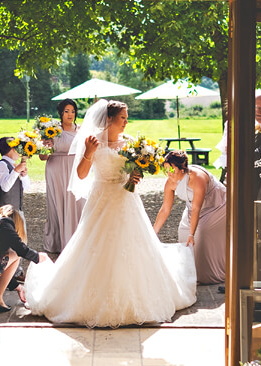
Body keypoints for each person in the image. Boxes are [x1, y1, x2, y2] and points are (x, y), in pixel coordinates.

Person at [24, 99, 197, 327]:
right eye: (122, 118)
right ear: (109, 119)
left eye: (126, 118)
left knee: (133, 247)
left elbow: (134, 170)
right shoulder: (93, 140)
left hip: (127, 200)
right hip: (101, 199)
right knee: (95, 245)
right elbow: (82, 174)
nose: (126, 122)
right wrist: (88, 152)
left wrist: (135, 176)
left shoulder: (131, 143)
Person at [152, 150, 226, 285]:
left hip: (217, 206)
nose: (169, 174)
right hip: (193, 208)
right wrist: (153, 232)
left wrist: (192, 234)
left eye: (172, 170)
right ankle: (189, 272)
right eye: (166, 170)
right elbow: (165, 209)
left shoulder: (197, 178)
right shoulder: (170, 182)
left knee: (202, 232)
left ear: (182, 168)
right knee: (182, 230)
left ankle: (207, 274)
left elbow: (197, 207)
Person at [0, 204, 49, 314]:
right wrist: (38, 257)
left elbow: (0, 270)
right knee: (15, 255)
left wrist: (18, 287)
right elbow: (20, 249)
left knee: (7, 258)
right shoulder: (5, 223)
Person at [39, 98, 86, 253]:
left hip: (75, 169)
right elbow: (42, 157)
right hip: (56, 169)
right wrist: (47, 147)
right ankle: (57, 243)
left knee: (77, 202)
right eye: (66, 111)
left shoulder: (81, 130)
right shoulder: (52, 130)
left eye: (73, 111)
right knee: (57, 203)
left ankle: (76, 241)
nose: (70, 114)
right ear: (60, 113)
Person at [0, 136, 31, 212]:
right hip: (4, 212)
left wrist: (24, 176)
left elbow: (26, 187)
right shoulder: (2, 165)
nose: (19, 151)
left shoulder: (13, 165)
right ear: (12, 149)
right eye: (17, 148)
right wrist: (16, 171)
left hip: (17, 210)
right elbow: (5, 187)